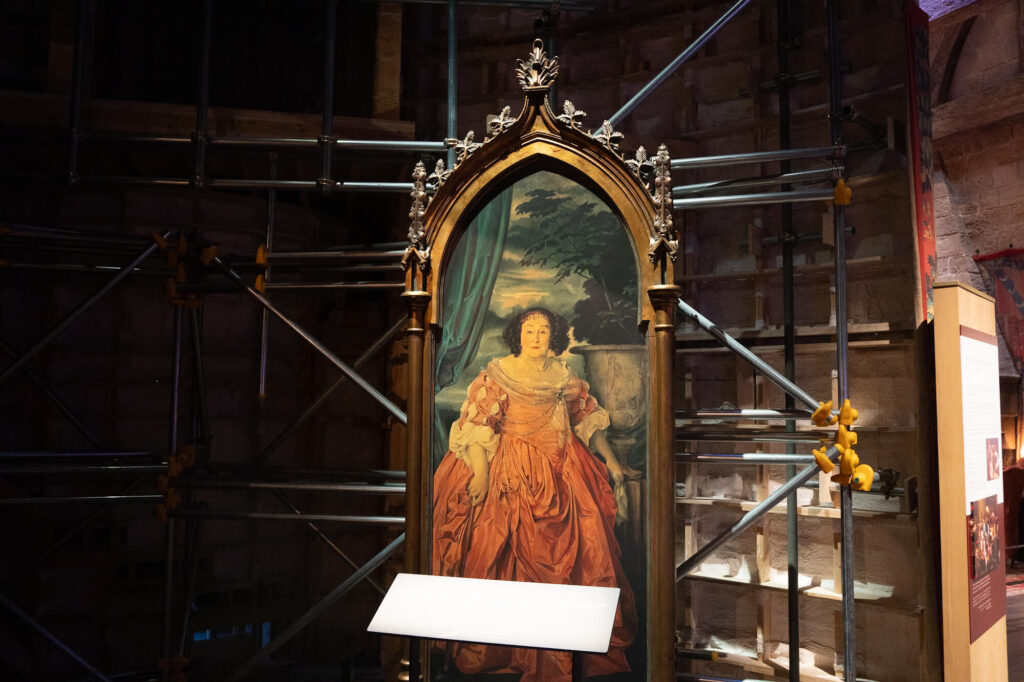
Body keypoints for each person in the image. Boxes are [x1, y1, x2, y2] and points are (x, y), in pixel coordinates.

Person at [432, 307, 637, 681]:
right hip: (513, 468)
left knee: (587, 547)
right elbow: (478, 425)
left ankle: (567, 646)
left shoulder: (565, 376)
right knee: (502, 547)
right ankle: (511, 648)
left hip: (565, 468)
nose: (536, 337)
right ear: (518, 335)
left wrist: (611, 462)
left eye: (543, 330)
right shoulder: (498, 374)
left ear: (553, 336)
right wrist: (481, 473)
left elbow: (586, 423)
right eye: (529, 330)